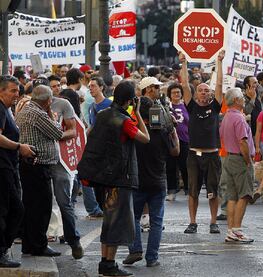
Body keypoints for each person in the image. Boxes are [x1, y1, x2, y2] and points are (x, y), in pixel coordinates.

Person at [77, 80, 150, 276]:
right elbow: (145, 138)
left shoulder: (102, 115)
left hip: (102, 177)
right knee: (116, 223)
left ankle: (105, 263)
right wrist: (138, 113)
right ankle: (109, 264)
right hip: (120, 178)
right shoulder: (124, 120)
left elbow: (90, 135)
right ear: (129, 100)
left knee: (109, 220)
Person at [123, 78, 179, 267]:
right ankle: (152, 257)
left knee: (133, 218)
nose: (157, 90)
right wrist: (172, 130)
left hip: (138, 180)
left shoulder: (133, 130)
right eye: (154, 87)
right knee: (156, 221)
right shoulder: (161, 131)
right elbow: (175, 151)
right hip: (157, 180)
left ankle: (135, 249)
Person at [16, 85, 74, 257]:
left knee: (31, 206)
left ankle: (29, 244)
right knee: (41, 208)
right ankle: (39, 245)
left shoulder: (28, 109)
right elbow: (57, 132)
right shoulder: (39, 114)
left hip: (31, 165)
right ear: (48, 101)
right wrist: (52, 114)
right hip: (37, 166)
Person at [179, 50, 225, 234]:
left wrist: (219, 61)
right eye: (201, 90)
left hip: (212, 155)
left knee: (213, 191)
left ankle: (213, 222)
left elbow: (220, 83)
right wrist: (183, 62)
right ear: (196, 93)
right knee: (193, 191)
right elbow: (184, 85)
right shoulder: (191, 106)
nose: (204, 92)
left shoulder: (215, 106)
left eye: (207, 90)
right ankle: (193, 222)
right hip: (194, 155)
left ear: (210, 93)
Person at [0, 75, 35, 267]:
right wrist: (19, 146)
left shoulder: (6, 109)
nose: (17, 94)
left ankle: (3, 249)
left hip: (9, 167)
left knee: (14, 209)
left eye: (18, 90)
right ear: (1, 91)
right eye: (12, 90)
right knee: (9, 210)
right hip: (2, 168)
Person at [220, 88, 255, 243]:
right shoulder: (238, 118)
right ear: (236, 100)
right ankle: (237, 230)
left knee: (232, 196)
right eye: (242, 97)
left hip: (228, 157)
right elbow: (243, 141)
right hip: (239, 158)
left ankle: (231, 230)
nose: (244, 99)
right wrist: (248, 160)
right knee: (244, 194)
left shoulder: (227, 116)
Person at [166, 83, 190, 200]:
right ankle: (171, 191)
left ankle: (188, 189)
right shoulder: (166, 107)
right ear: (169, 95)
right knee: (170, 166)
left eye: (178, 92)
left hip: (185, 139)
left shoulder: (186, 106)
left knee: (185, 165)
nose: (176, 94)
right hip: (171, 140)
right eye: (173, 92)